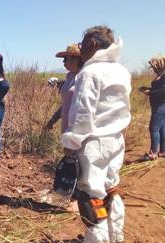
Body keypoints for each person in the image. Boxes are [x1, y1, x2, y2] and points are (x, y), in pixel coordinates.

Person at [62, 26, 131, 242]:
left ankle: (97, 239)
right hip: (116, 140)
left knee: (91, 197)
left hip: (94, 142)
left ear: (92, 44)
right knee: (112, 189)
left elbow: (83, 113)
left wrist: (71, 144)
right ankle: (115, 236)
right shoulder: (121, 71)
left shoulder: (89, 72)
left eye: (82, 44)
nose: (80, 48)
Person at [46, 44, 83, 131]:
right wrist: (53, 120)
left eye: (66, 59)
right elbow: (67, 103)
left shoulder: (84, 76)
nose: (63, 62)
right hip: (67, 129)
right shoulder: (70, 76)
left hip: (79, 130)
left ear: (76, 59)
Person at [139, 55, 165, 160]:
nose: (152, 68)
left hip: (160, 106)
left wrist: (150, 92)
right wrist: (149, 89)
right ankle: (163, 151)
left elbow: (163, 91)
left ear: (159, 64)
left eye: (154, 66)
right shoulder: (161, 75)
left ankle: (153, 153)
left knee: (153, 128)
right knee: (162, 127)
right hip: (159, 105)